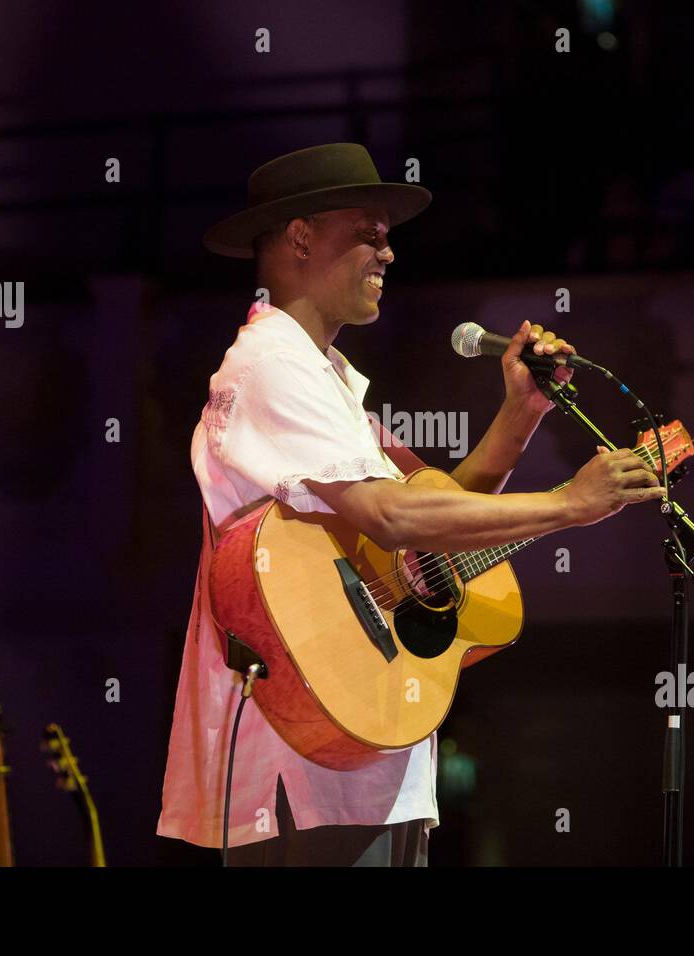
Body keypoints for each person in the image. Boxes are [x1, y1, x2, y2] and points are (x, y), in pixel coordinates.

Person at [158, 143, 664, 867]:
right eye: (370, 231)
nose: (388, 252)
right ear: (300, 238)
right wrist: (564, 504)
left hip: (356, 739)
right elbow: (390, 517)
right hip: (299, 744)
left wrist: (518, 417)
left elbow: (426, 522)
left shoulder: (323, 375)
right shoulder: (272, 363)